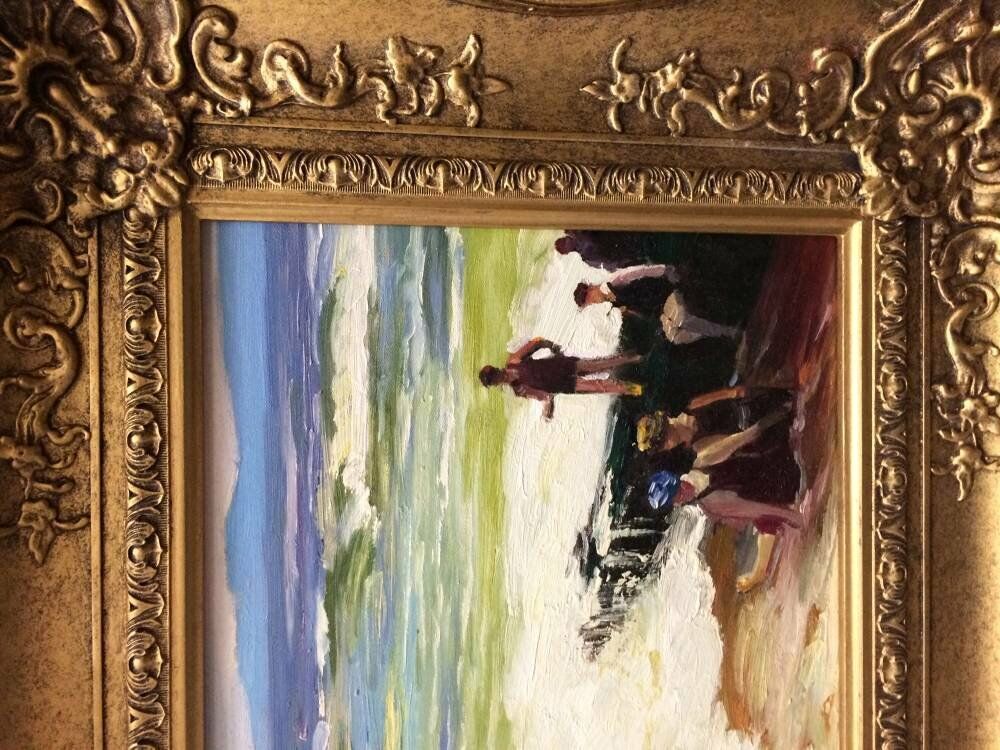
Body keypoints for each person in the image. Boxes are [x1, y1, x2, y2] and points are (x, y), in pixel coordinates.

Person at [637, 385, 803, 592]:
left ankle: (761, 572)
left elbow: (743, 436)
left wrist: (775, 415)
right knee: (762, 510)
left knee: (765, 510)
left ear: (665, 436)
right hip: (761, 438)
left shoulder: (700, 460)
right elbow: (734, 399)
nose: (667, 449)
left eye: (663, 446)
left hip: (766, 441)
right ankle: (760, 571)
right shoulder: (695, 453)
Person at [479, 337, 643, 419]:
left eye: (493, 376)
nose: (496, 379)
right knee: (602, 386)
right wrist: (547, 413)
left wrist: (552, 347)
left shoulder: (514, 361)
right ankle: (637, 389)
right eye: (493, 381)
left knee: (602, 364)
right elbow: (545, 397)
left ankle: (636, 357)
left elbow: (536, 342)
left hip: (563, 365)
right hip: (565, 384)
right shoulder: (518, 390)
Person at [574, 264, 678, 319]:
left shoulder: (613, 280)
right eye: (589, 304)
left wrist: (665, 270)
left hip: (662, 288)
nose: (593, 303)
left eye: (591, 299)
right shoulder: (611, 305)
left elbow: (640, 271)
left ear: (590, 289)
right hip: (661, 308)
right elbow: (639, 312)